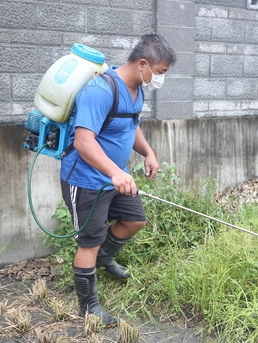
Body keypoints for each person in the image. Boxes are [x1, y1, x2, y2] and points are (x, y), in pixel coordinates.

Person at [59, 34, 177, 327]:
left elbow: (130, 125)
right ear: (142, 64)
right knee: (89, 241)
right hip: (86, 180)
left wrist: (148, 152)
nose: (160, 79)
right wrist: (115, 172)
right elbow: (84, 142)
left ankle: (103, 258)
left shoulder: (137, 90)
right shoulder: (100, 91)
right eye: (159, 72)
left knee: (135, 219)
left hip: (116, 176)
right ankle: (88, 307)